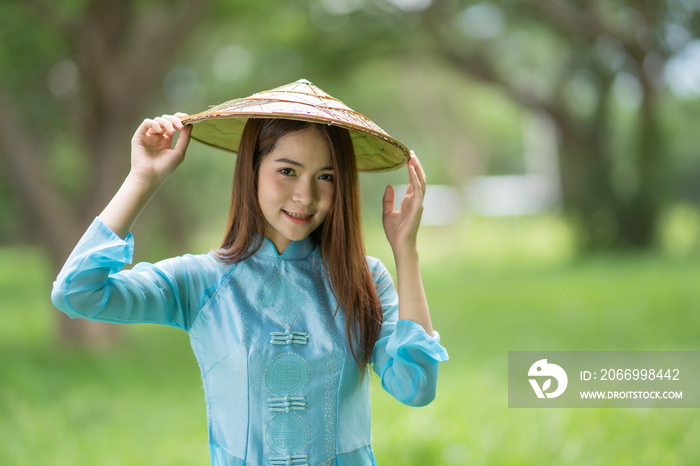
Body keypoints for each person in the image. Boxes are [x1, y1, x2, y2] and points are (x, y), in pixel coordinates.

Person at [51, 80, 448, 466]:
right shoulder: (202, 280)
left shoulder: (364, 279)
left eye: (325, 177)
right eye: (287, 171)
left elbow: (415, 387)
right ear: (252, 170)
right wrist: (142, 180)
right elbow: (76, 292)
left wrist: (405, 251)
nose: (305, 195)